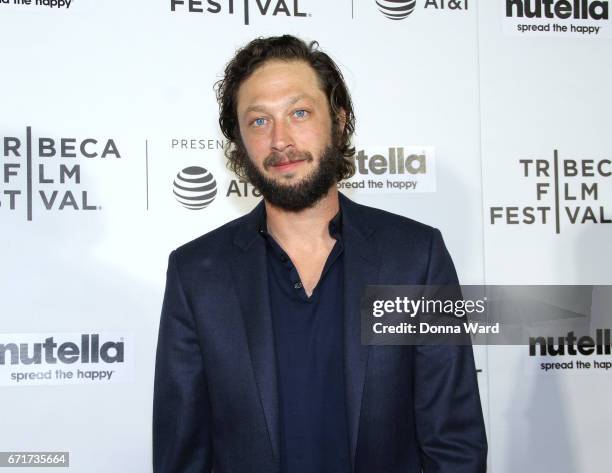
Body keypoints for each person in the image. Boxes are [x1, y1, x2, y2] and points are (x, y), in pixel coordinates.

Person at [153, 34, 487, 473]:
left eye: (299, 112)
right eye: (258, 121)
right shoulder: (196, 273)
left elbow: (453, 441)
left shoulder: (415, 257)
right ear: (239, 143)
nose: (280, 140)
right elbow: (181, 453)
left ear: (339, 120)